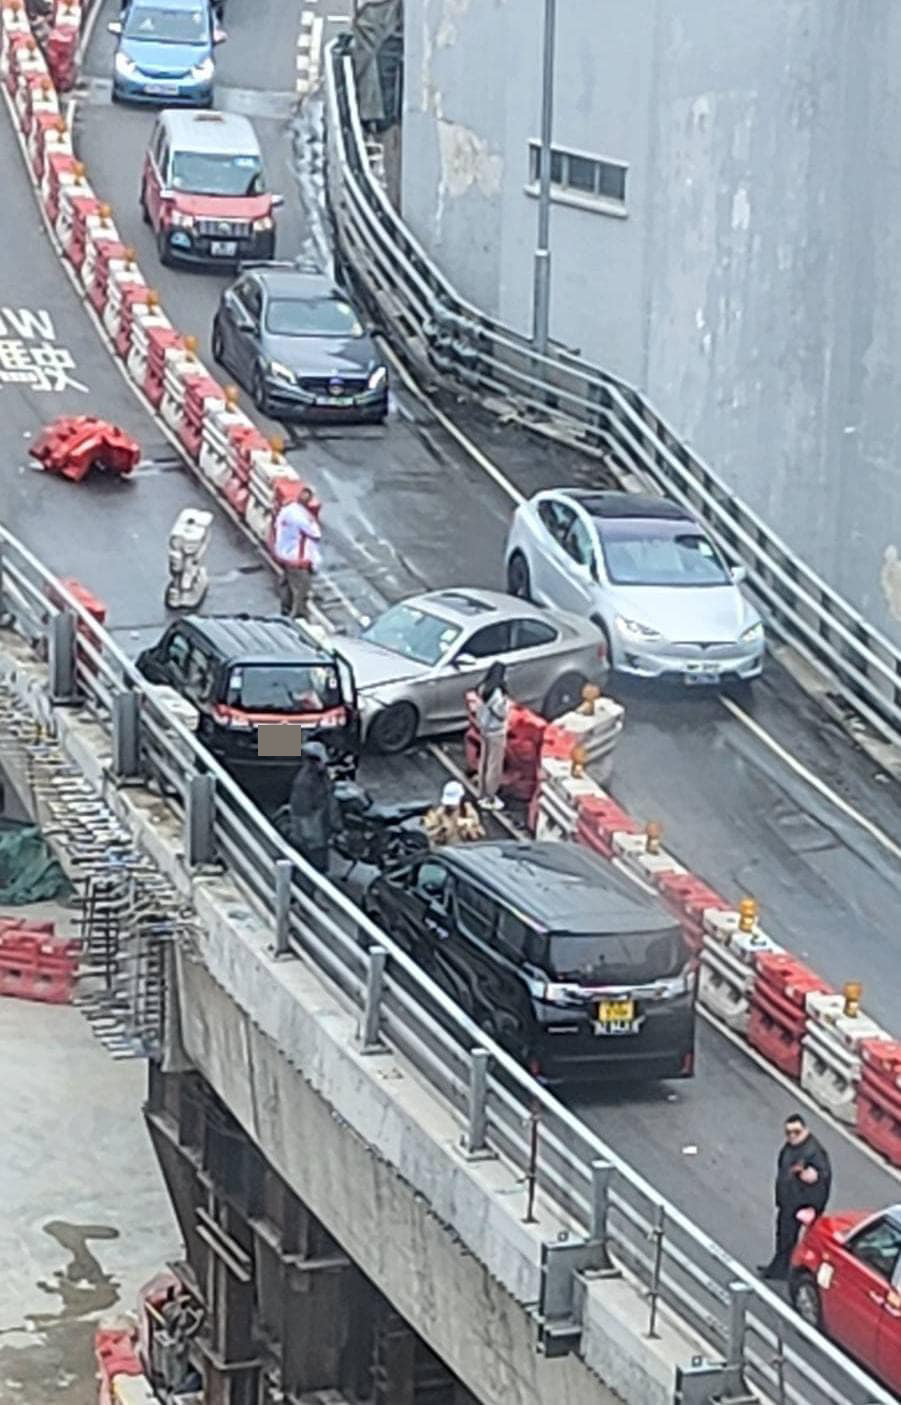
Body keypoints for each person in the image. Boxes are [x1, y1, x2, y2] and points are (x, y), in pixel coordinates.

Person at [758, 1113, 832, 1281]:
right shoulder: (792, 1148)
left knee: (789, 1238)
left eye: (796, 1132)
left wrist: (809, 1176)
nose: (791, 1136)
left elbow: (821, 1176)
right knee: (783, 1236)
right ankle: (778, 1267)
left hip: (800, 1204)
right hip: (789, 1201)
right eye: (788, 1132)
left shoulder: (813, 1152)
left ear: (805, 1130)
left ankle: (782, 1271)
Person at [288, 742, 341, 880]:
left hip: (321, 831)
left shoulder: (321, 777)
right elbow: (303, 813)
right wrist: (312, 837)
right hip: (313, 836)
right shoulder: (305, 782)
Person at [273, 486, 322, 620]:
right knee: (302, 591)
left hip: (285, 555)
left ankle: (285, 612)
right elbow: (315, 534)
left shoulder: (286, 511)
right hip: (298, 560)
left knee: (287, 586)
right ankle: (299, 619)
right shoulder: (301, 517)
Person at [475, 661, 510, 811]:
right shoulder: (496, 693)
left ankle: (481, 792)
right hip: (496, 731)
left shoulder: (483, 688)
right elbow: (501, 714)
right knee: (494, 765)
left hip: (484, 729)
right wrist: (506, 703)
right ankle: (490, 797)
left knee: (484, 761)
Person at [424, 781, 485, 847]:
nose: (451, 805)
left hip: (463, 850)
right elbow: (430, 835)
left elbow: (478, 835)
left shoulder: (469, 812)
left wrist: (467, 829)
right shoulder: (440, 813)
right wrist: (440, 830)